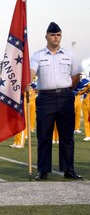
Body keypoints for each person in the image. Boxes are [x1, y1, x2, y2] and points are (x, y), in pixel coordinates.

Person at [30, 22, 83, 180]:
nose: (56, 37)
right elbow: (32, 72)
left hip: (65, 97)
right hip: (45, 98)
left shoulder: (69, 55)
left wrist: (67, 90)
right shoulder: (38, 55)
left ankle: (68, 169)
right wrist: (29, 80)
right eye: (53, 35)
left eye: (58, 35)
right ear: (46, 36)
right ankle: (43, 170)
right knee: (44, 135)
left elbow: (76, 76)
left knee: (67, 136)